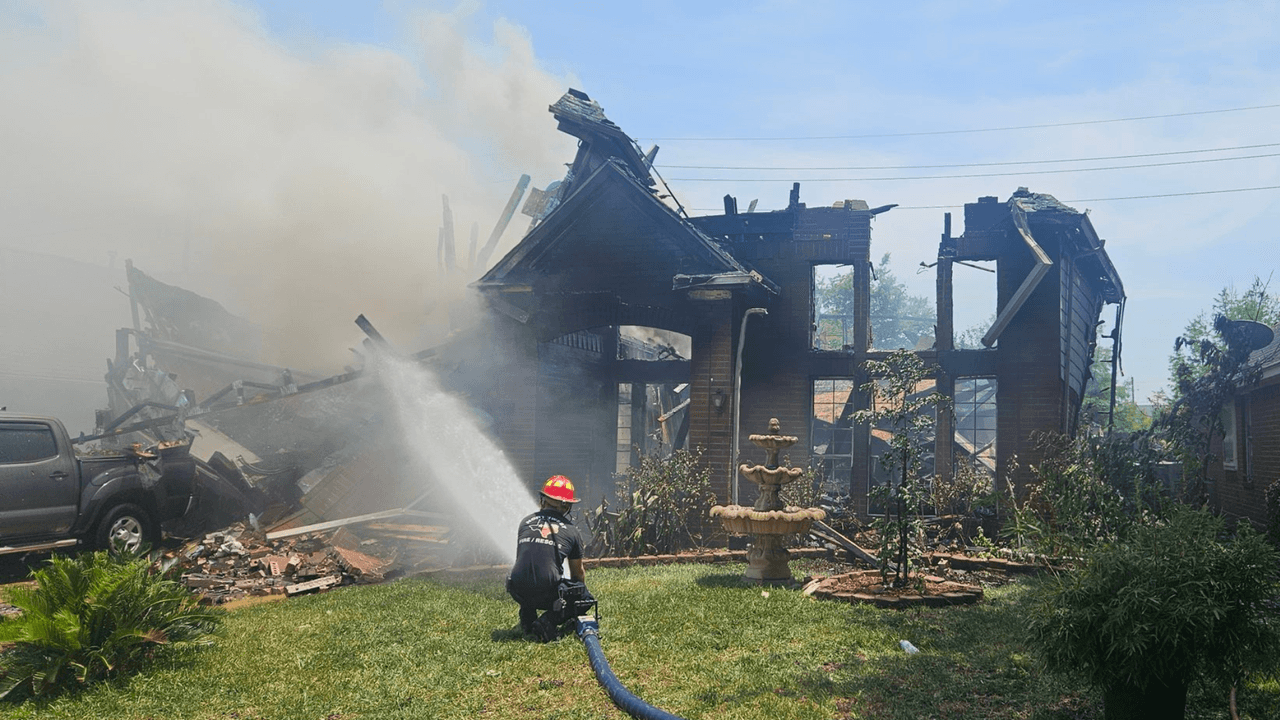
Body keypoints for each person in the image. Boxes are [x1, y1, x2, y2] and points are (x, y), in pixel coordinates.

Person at [506, 475, 592, 641]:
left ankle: (528, 617)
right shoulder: (571, 531)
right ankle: (548, 621)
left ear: (543, 500)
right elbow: (577, 574)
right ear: (566, 505)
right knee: (585, 598)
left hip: (517, 589)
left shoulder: (525, 522)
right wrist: (577, 595)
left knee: (530, 576)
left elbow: (526, 562)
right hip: (546, 593)